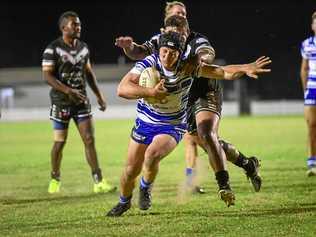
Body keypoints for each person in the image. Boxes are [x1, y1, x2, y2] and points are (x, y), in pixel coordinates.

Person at [106, 31, 271, 217]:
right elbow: (122, 88)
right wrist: (151, 92)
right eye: (164, 52)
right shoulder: (149, 63)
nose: (167, 56)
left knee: (152, 155)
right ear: (159, 50)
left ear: (180, 53)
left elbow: (222, 72)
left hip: (172, 124)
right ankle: (124, 202)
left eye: (172, 53)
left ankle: (145, 187)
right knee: (130, 170)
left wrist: (246, 68)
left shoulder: (187, 67)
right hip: (145, 121)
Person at [42, 11, 115, 194]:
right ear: (63, 28)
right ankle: (55, 177)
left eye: (79, 24)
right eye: (74, 24)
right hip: (61, 102)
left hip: (81, 101)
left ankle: (98, 181)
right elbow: (47, 76)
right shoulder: (53, 49)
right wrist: (68, 91)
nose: (78, 27)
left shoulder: (83, 48)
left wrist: (99, 95)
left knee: (89, 140)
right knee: (60, 142)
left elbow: (88, 73)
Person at [301, 11, 316, 176]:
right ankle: (312, 162)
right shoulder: (307, 44)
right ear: (312, 26)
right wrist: (305, 89)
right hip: (312, 88)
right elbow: (304, 68)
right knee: (312, 126)